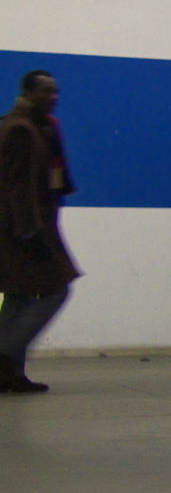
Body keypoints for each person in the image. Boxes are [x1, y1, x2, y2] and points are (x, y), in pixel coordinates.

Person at [0, 70, 80, 394]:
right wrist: (31, 235)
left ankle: (11, 375)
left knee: (18, 298)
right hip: (24, 231)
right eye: (47, 91)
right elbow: (18, 189)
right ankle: (4, 356)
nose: (54, 97)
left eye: (56, 91)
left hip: (23, 229)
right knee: (56, 290)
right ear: (28, 93)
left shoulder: (38, 126)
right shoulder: (20, 130)